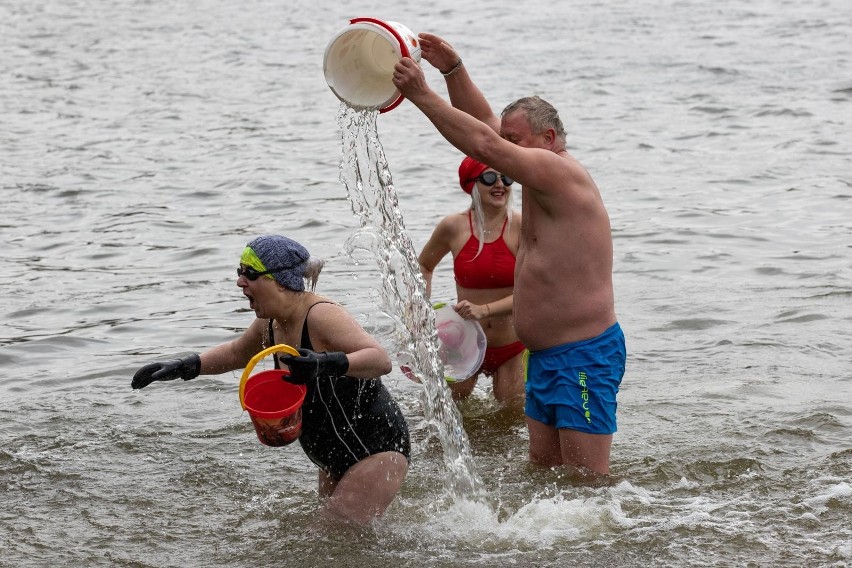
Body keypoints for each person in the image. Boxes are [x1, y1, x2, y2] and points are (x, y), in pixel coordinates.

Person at [392, 34, 626, 476]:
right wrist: (453, 70)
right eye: (509, 140)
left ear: (549, 138)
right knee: (543, 473)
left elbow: (486, 146)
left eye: (516, 140)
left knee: (586, 483)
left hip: (584, 354)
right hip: (545, 354)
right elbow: (483, 126)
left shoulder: (561, 172)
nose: (508, 150)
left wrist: (420, 93)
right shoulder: (537, 173)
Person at [131, 235, 410, 525]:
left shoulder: (321, 315)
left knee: (327, 536)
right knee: (332, 543)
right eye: (239, 273)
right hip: (332, 455)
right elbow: (237, 353)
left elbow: (380, 360)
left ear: (280, 280)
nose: (240, 282)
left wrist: (324, 362)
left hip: (376, 449)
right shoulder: (271, 322)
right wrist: (184, 366)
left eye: (250, 274)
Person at [418, 155, 525, 410]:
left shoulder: (522, 226)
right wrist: (420, 307)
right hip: (463, 342)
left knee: (510, 421)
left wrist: (484, 310)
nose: (500, 184)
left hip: (511, 346)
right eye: (490, 177)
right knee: (441, 414)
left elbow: (535, 292)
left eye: (506, 177)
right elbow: (424, 266)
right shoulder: (453, 227)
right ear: (472, 184)